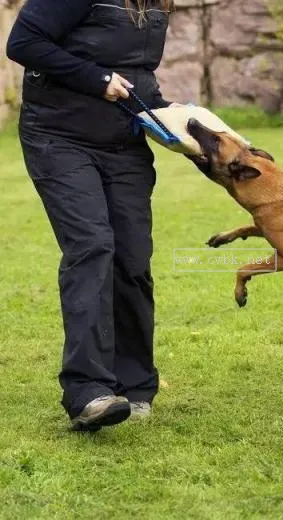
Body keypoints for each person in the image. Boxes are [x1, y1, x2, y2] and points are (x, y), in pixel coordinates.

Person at [6, 0, 176, 431]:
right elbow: (22, 42)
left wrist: (185, 122)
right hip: (59, 137)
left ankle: (135, 387)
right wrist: (96, 79)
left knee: (133, 259)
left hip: (123, 147)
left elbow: (137, 76)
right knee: (92, 246)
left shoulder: (156, 4)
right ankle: (88, 391)